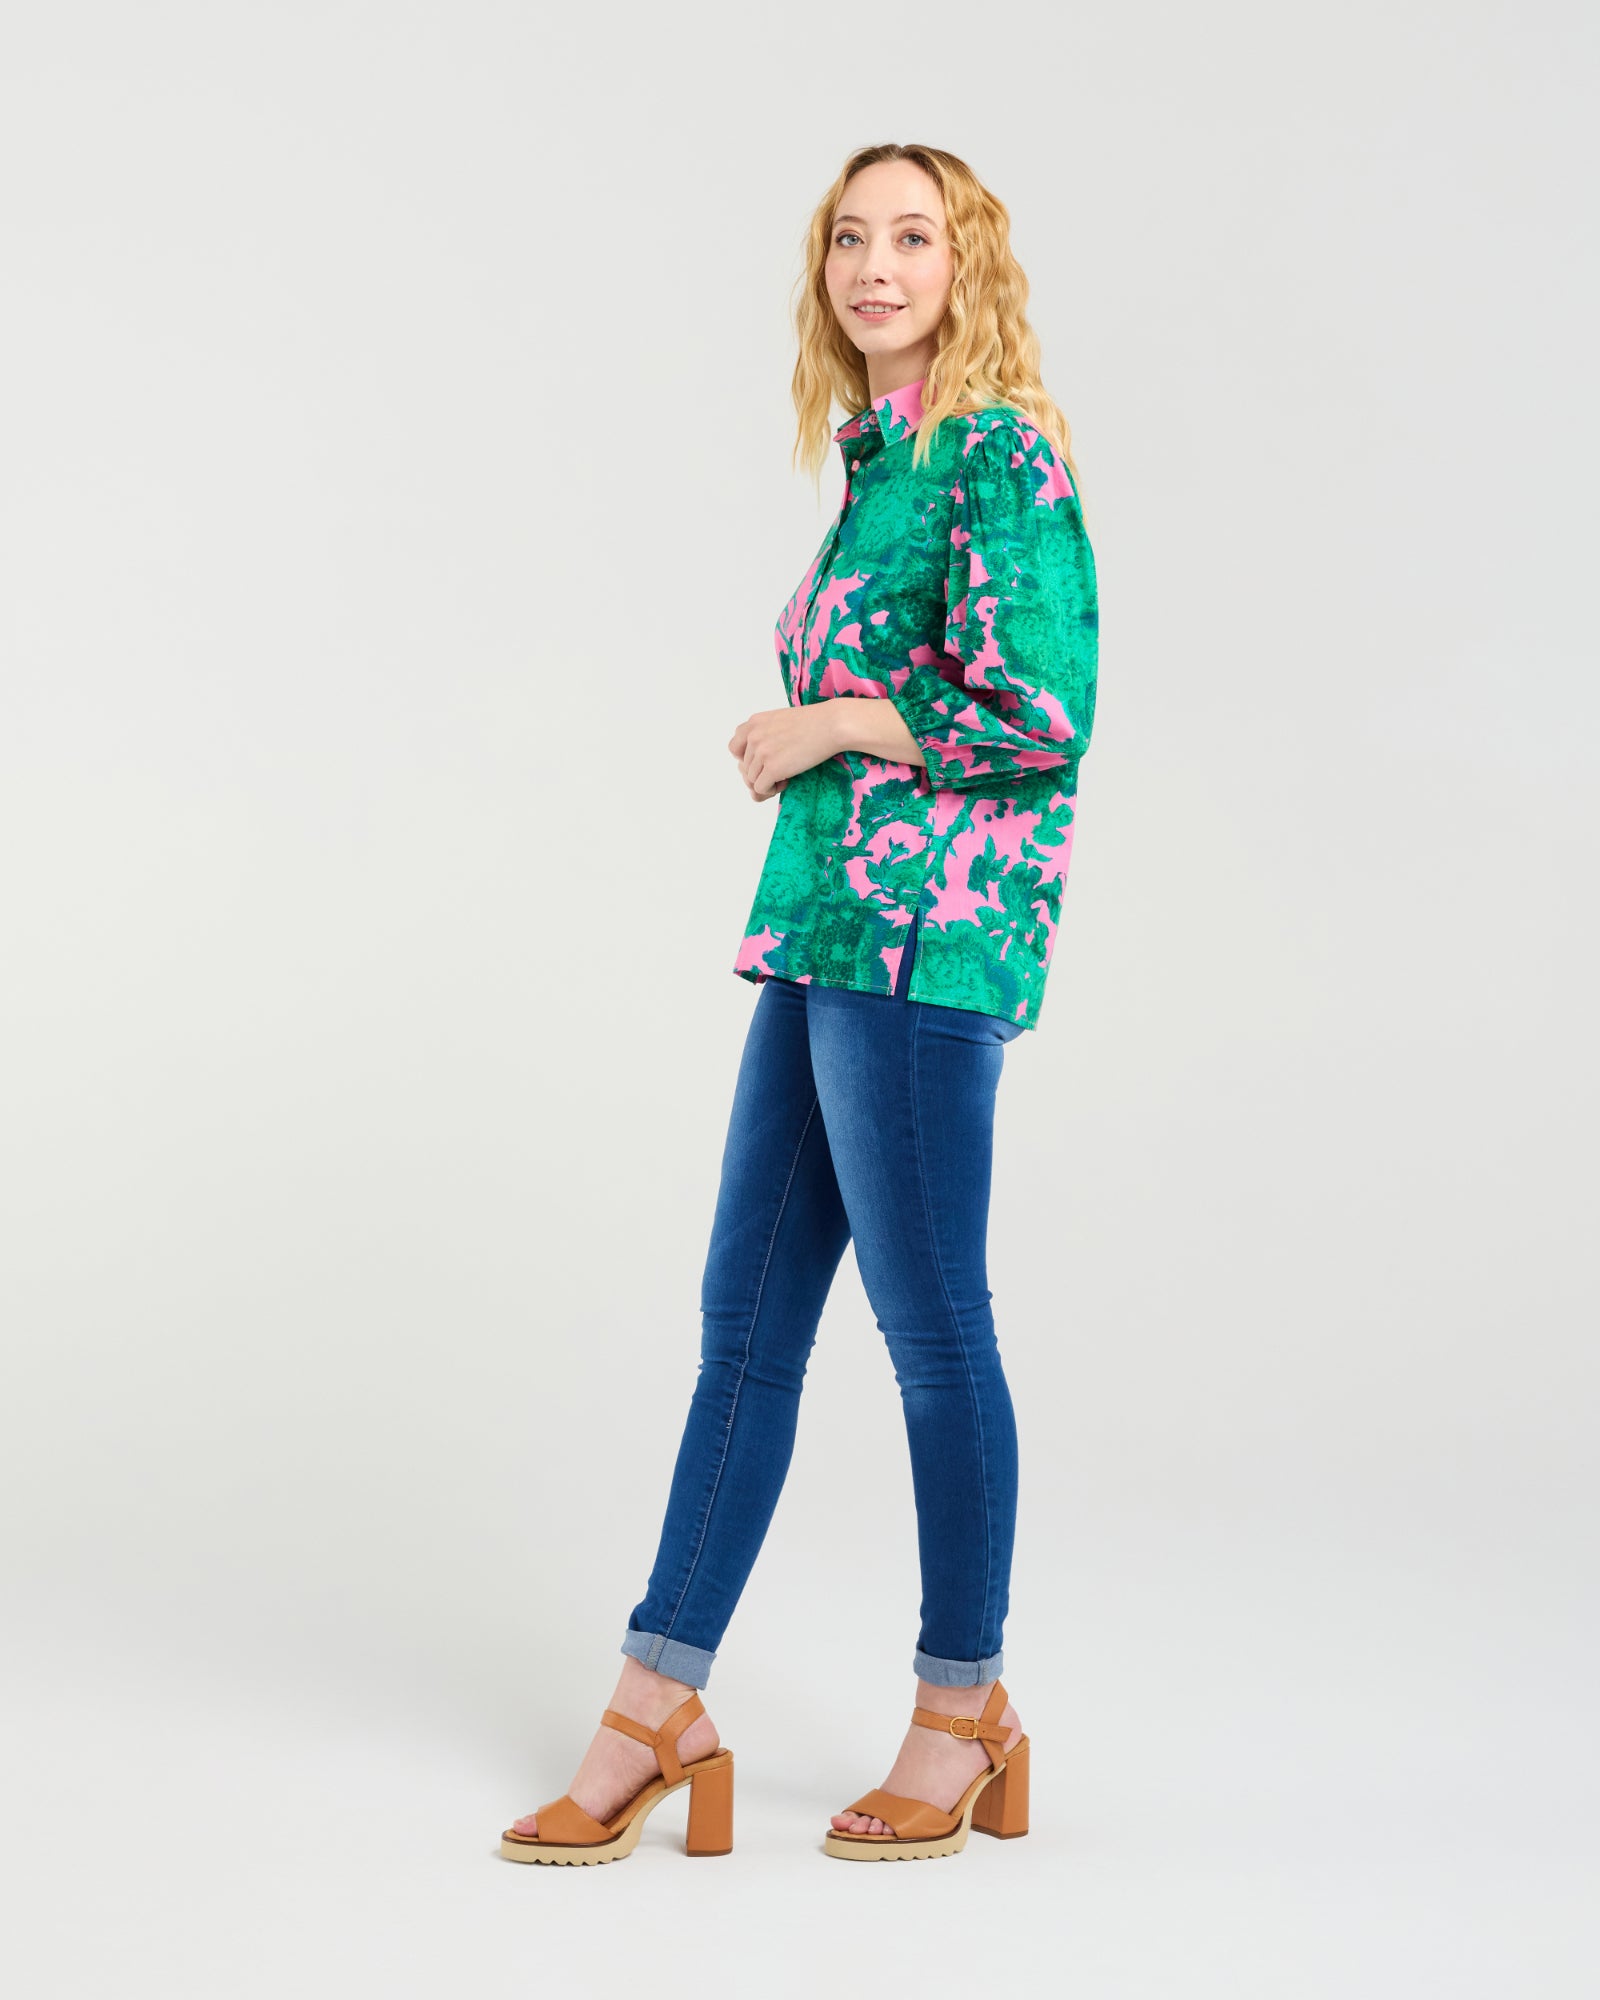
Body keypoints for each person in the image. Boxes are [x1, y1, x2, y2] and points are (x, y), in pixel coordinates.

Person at [500, 140, 1099, 1867]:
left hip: (926, 946)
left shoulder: (999, 451)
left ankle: (963, 1710)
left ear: (967, 267)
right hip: (824, 934)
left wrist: (829, 723)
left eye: (913, 236)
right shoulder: (877, 458)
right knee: (745, 1328)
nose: (874, 265)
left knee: (934, 1334)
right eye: (850, 237)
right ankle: (656, 1703)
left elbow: (1042, 714)